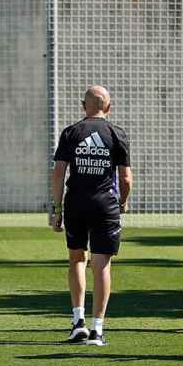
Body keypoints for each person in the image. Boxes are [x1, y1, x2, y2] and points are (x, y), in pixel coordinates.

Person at [51, 86, 132, 346]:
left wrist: (57, 208)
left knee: (76, 258)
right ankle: (98, 328)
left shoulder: (71, 132)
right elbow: (126, 177)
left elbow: (58, 173)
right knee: (102, 264)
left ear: (82, 105)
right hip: (105, 204)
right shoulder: (116, 133)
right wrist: (123, 201)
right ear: (108, 107)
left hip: (75, 202)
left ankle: (78, 323)